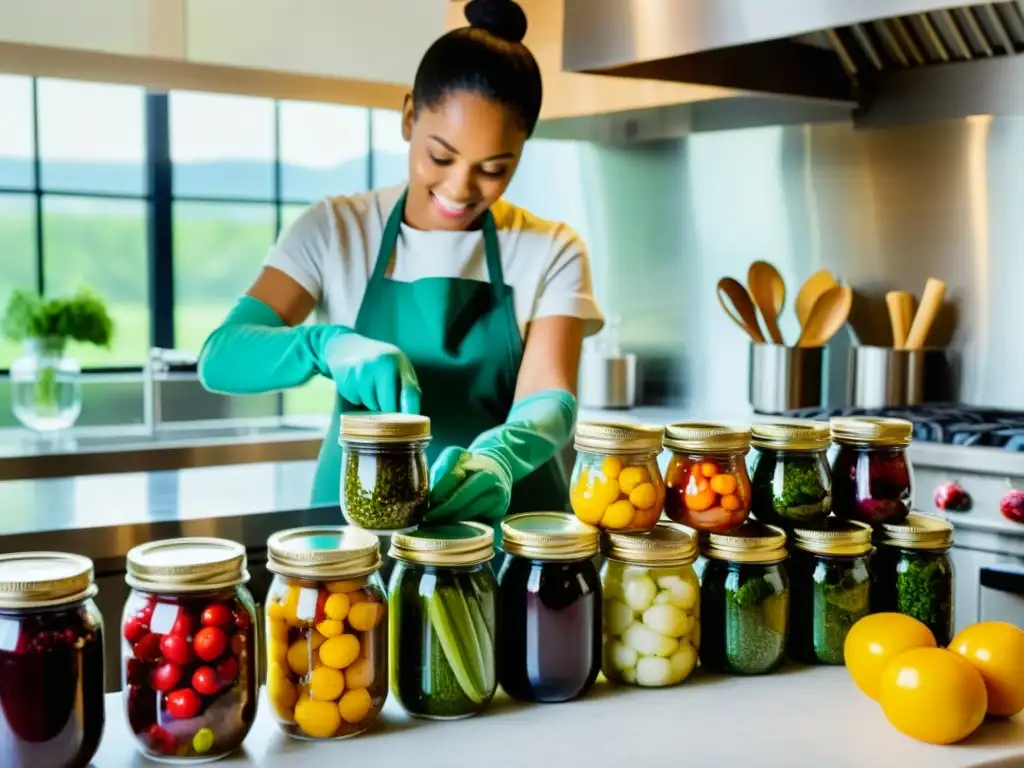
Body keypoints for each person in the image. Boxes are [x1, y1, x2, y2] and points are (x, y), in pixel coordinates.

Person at [197, 0, 604, 526]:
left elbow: (550, 399)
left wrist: (500, 458)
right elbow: (221, 357)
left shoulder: (550, 248)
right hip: (357, 533)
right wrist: (324, 345)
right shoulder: (335, 229)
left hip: (509, 536)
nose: (460, 188)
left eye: (494, 169)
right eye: (441, 156)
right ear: (410, 117)